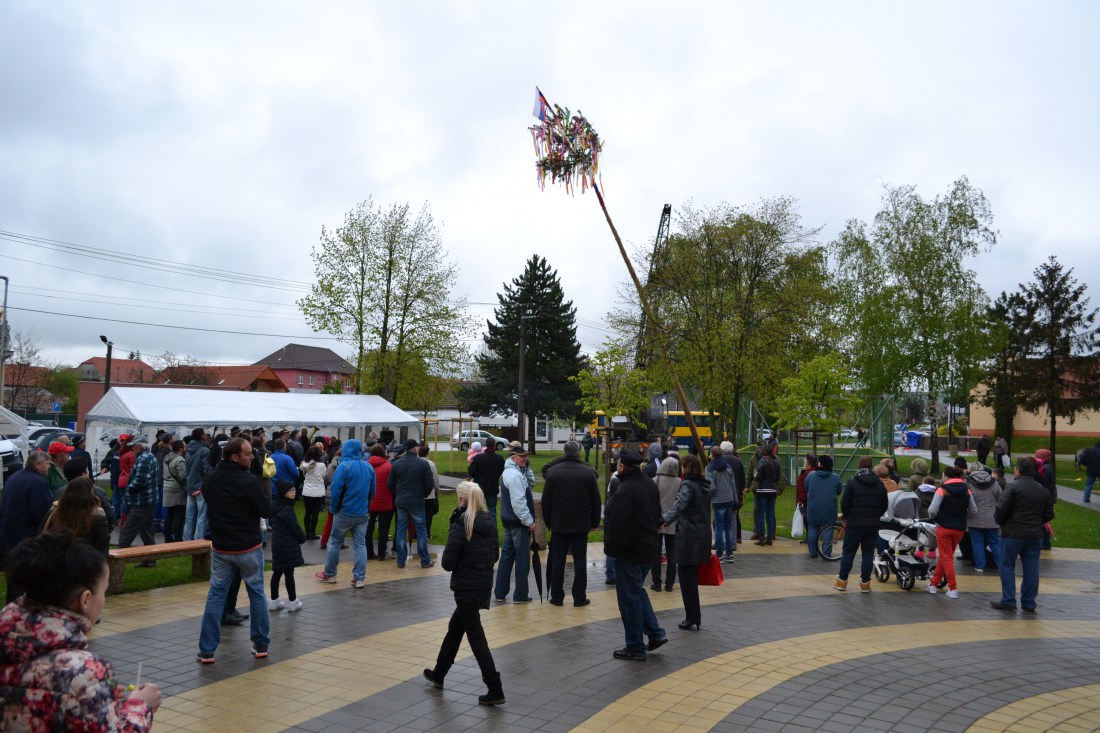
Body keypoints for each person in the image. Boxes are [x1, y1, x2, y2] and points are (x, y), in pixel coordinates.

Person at [0, 531, 162, 729]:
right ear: (85, 600)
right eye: (104, 592)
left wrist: (96, 699)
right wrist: (141, 706)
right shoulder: (83, 673)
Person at [422, 482, 504, 706]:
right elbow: (494, 556)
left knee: (477, 639)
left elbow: (448, 563)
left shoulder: (462, 524)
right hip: (482, 585)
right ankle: (439, 673)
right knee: (455, 629)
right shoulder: (489, 521)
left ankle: (495, 688)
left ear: (461, 499)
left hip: (466, 588)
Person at [197, 436, 273, 663]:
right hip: (248, 546)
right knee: (256, 593)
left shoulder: (211, 480)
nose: (252, 457)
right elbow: (265, 510)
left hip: (222, 546)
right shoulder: (249, 482)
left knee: (216, 594)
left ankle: (207, 650)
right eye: (248, 454)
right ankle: (260, 643)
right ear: (234, 457)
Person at [604, 448, 667, 660]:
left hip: (630, 553)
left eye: (618, 464)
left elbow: (619, 526)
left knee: (629, 600)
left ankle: (635, 647)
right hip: (648, 548)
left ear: (622, 466)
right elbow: (657, 514)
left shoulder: (625, 491)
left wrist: (614, 551)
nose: (617, 467)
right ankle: (655, 633)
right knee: (636, 592)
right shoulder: (648, 483)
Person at [991, 457, 1055, 613]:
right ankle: (1029, 602)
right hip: (1034, 535)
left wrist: (1003, 523)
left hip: (1012, 534)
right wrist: (1037, 522)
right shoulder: (1042, 490)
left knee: (1007, 566)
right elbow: (1049, 514)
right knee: (1032, 569)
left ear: (1018, 471)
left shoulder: (1013, 487)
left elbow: (1001, 509)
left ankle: (1009, 600)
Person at [542, 441, 601, 607]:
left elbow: (546, 502)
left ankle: (557, 596)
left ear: (564, 452)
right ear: (579, 454)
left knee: (558, 560)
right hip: (581, 523)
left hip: (559, 523)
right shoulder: (588, 473)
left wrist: (549, 522)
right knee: (580, 560)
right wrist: (594, 522)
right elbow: (596, 501)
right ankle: (579, 596)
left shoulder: (552, 473)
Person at [661, 454, 713, 632]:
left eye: (683, 466)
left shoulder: (688, 486)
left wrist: (663, 521)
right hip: (702, 535)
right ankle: (694, 616)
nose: (681, 470)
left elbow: (678, 506)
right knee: (691, 578)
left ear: (688, 468)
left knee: (686, 579)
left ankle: (692, 617)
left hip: (688, 538)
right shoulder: (705, 485)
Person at [315, 439, 375, 587]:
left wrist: (334, 508)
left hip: (344, 512)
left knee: (335, 542)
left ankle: (330, 574)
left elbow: (336, 491)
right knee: (360, 545)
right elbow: (372, 490)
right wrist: (367, 506)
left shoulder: (344, 466)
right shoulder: (368, 466)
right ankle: (359, 578)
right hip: (362, 512)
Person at [0, 451, 54, 603]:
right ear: (37, 464)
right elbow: (40, 513)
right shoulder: (38, 482)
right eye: (47, 464)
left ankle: (11, 611)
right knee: (26, 580)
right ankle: (22, 611)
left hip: (8, 534)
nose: (49, 467)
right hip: (25, 537)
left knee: (14, 578)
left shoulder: (15, 476)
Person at [833, 456, 887, 592]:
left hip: (854, 523)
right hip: (872, 524)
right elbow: (884, 505)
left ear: (858, 466)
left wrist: (847, 516)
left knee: (848, 552)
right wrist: (875, 515)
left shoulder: (852, 483)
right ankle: (865, 583)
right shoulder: (879, 484)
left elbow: (845, 504)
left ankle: (842, 581)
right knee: (868, 553)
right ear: (872, 466)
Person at [493, 440, 537, 602]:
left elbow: (530, 483)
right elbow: (519, 502)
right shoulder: (515, 475)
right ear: (513, 457)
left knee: (506, 557)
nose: (524, 458)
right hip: (518, 522)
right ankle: (520, 594)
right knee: (522, 559)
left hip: (508, 520)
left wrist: (527, 468)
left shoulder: (511, 472)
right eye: (521, 456)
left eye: (525, 456)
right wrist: (529, 522)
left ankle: (500, 592)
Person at [927, 466, 976, 598]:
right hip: (959, 529)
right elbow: (973, 510)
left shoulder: (941, 490)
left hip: (943, 527)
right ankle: (933, 584)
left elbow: (932, 510)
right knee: (946, 556)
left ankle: (953, 588)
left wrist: (936, 518)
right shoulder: (967, 490)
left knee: (947, 558)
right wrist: (962, 518)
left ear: (947, 476)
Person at [389, 439, 435, 569]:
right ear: (415, 449)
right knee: (421, 530)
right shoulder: (423, 464)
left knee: (401, 530)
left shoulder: (397, 464)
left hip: (402, 501)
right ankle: (424, 560)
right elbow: (429, 484)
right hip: (417, 501)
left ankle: (401, 560)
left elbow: (390, 484)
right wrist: (423, 495)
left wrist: (399, 493)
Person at [42, 477, 111, 554]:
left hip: (57, 555)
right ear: (91, 492)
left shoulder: (55, 510)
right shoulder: (97, 513)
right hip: (86, 557)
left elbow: (42, 532)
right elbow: (102, 542)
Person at [117, 438, 159, 561]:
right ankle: (149, 560)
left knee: (127, 530)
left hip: (141, 501)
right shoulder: (150, 456)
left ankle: (118, 559)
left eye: (134, 446)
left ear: (140, 447)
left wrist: (130, 488)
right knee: (147, 532)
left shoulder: (143, 458)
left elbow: (141, 479)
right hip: (149, 500)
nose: (132, 449)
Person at [269, 480, 306, 613]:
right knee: (289, 573)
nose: (293, 492)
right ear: (283, 492)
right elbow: (294, 527)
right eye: (290, 491)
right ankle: (293, 601)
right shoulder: (286, 509)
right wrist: (302, 538)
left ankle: (274, 601)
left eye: (294, 490)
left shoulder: (275, 506)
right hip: (287, 545)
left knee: (277, 572)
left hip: (277, 544)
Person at [651, 455, 681, 592]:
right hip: (673, 522)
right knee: (672, 554)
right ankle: (669, 584)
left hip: (657, 521)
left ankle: (656, 583)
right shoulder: (679, 481)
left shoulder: (655, 480)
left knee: (656, 554)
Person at [805, 455, 842, 559]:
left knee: (812, 528)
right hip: (829, 508)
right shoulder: (835, 477)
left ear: (820, 464)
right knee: (828, 529)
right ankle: (826, 553)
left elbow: (806, 487)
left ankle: (813, 552)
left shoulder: (811, 475)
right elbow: (839, 491)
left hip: (813, 507)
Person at [967, 467, 1002, 573]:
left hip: (974, 518)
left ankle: (980, 566)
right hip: (992, 518)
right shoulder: (994, 482)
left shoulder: (968, 483)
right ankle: (1001, 565)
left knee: (977, 543)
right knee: (995, 543)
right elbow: (1001, 498)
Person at [706, 446, 737, 563]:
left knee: (719, 527)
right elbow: (733, 484)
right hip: (729, 498)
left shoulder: (709, 468)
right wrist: (734, 499)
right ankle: (730, 554)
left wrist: (709, 497)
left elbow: (711, 486)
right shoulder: (728, 467)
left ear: (712, 455)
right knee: (728, 526)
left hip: (717, 500)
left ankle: (719, 554)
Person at [366, 443, 395, 559]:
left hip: (369, 501)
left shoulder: (366, 466)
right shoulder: (388, 467)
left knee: (368, 528)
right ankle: (382, 553)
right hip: (385, 501)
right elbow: (392, 484)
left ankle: (369, 551)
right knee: (383, 529)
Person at [183, 428, 210, 541]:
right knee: (201, 517)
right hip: (200, 487)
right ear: (201, 436)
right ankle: (198, 541)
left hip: (190, 486)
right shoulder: (204, 450)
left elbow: (187, 470)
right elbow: (207, 469)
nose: (206, 436)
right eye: (205, 434)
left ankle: (186, 540)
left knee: (189, 517)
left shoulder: (188, 451)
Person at [753, 443, 781, 546]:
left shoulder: (762, 461)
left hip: (762, 490)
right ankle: (770, 537)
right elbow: (778, 476)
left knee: (761, 515)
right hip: (772, 490)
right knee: (770, 514)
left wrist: (756, 476)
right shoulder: (776, 462)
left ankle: (762, 538)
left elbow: (759, 476)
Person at [469, 439, 505, 516]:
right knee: (492, 511)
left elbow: (471, 472)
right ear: (494, 446)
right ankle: (491, 524)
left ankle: (479, 524)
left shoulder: (478, 458)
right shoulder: (500, 458)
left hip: (479, 488)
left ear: (486, 445)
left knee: (478, 511)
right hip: (492, 488)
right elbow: (501, 472)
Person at [719, 441, 746, 546]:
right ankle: (732, 542)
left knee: (719, 519)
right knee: (733, 519)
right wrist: (740, 491)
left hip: (721, 494)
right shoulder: (738, 461)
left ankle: (720, 541)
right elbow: (743, 478)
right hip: (735, 493)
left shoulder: (719, 460)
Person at [299, 444, 327, 541]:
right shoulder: (321, 465)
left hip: (307, 491)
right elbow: (324, 476)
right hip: (318, 492)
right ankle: (312, 533)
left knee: (308, 512)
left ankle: (307, 533)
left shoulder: (304, 464)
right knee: (315, 513)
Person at [162, 439, 188, 543]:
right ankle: (178, 538)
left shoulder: (167, 457)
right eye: (184, 446)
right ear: (181, 449)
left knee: (170, 514)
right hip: (177, 489)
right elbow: (183, 476)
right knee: (179, 516)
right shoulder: (180, 460)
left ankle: (167, 536)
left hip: (167, 487)